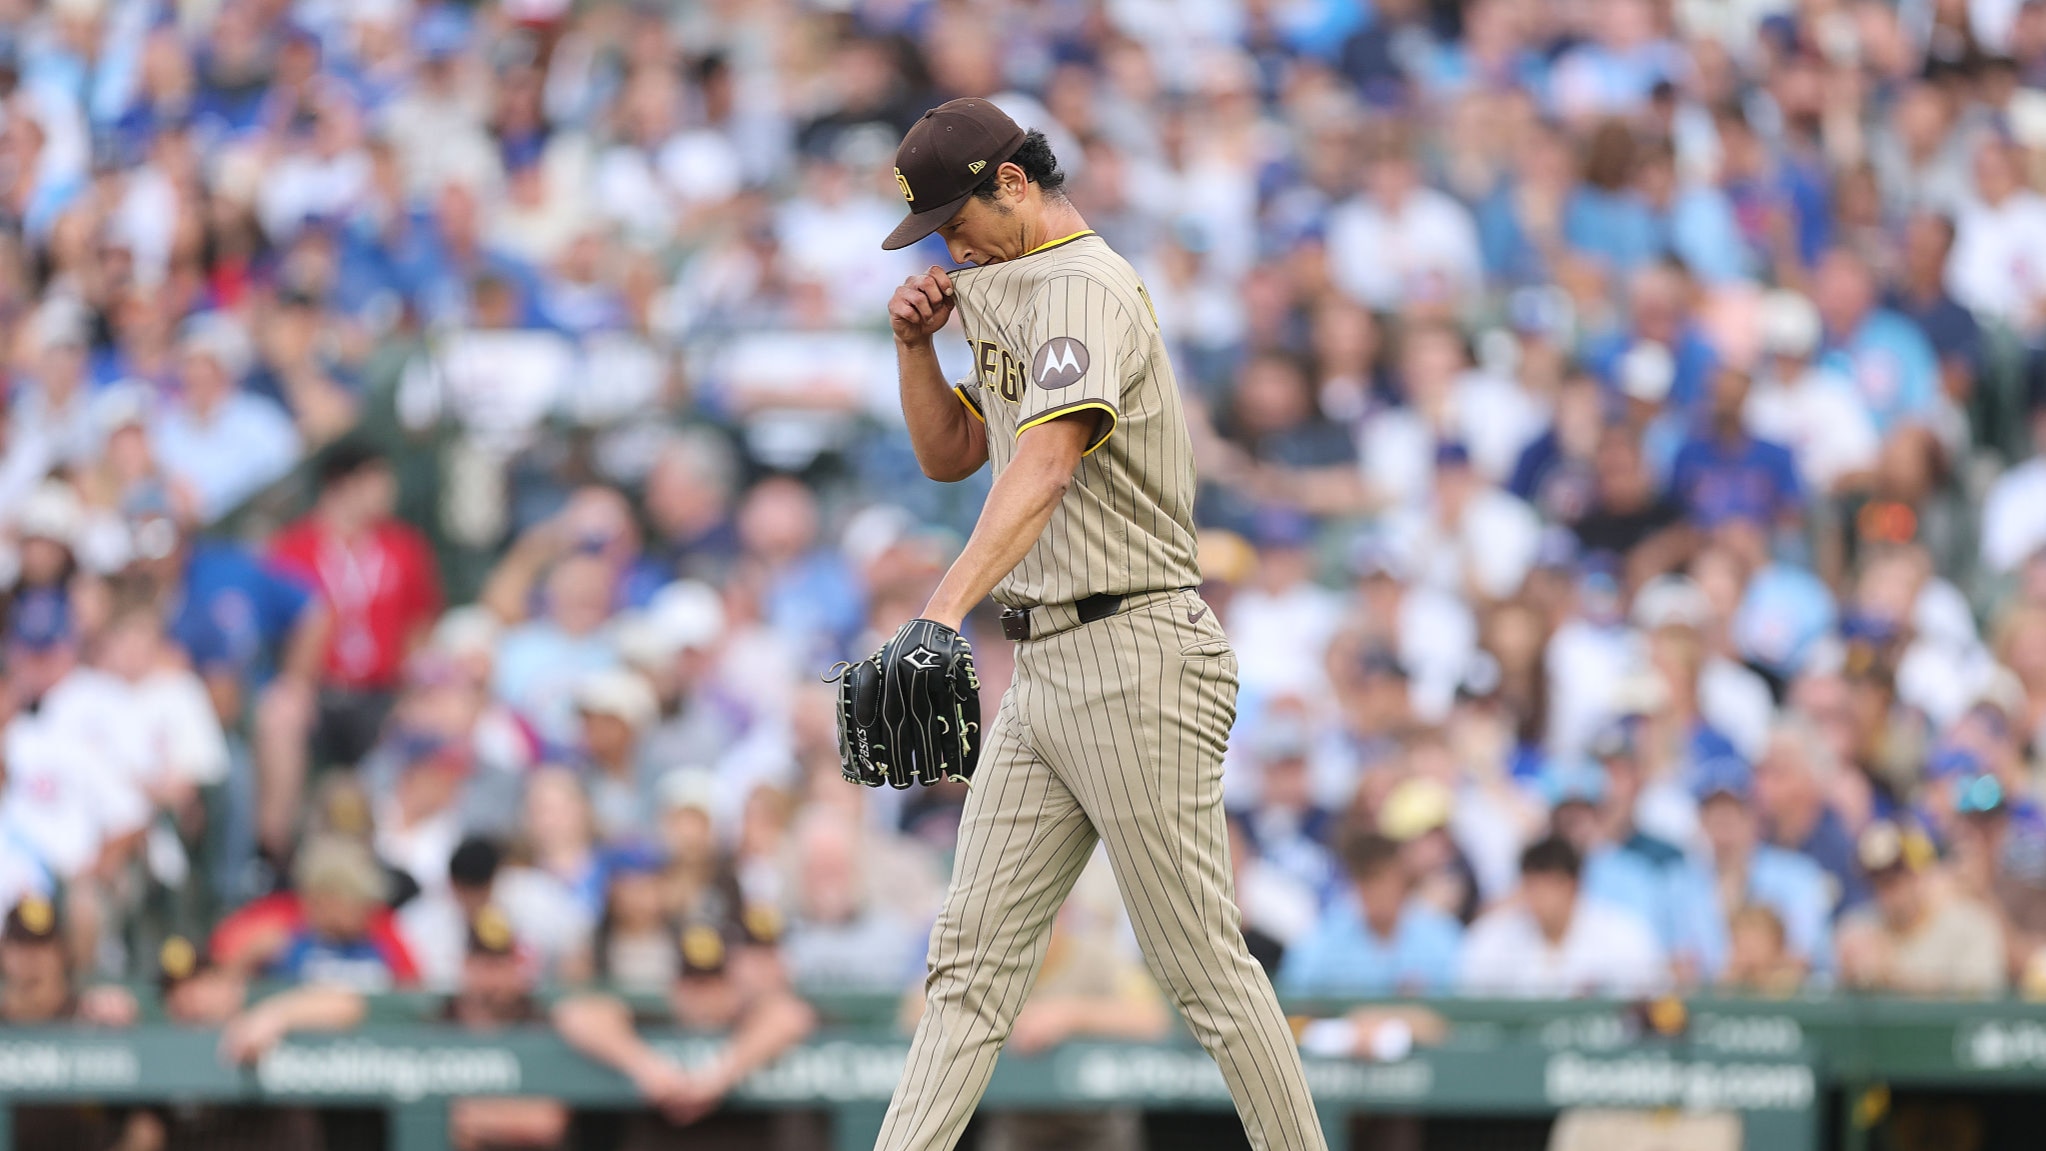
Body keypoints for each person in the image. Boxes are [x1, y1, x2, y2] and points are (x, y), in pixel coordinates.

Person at [876, 99, 1326, 1148]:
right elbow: (956, 456)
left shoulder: (1085, 285)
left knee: (1201, 967)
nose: (950, 245)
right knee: (969, 967)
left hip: (1135, 647)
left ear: (1017, 182)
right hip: (1046, 662)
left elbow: (1047, 459)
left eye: (957, 216)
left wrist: (942, 608)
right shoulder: (998, 285)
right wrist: (914, 352)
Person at [553, 921, 816, 1149]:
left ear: (733, 987)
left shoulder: (749, 1024)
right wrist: (648, 1068)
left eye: (714, 984)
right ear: (674, 989)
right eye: (691, 984)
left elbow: (791, 1015)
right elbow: (575, 1014)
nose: (702, 998)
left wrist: (716, 1078)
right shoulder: (653, 1025)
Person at [267, 439, 443, 770]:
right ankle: (273, 824)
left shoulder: (405, 547)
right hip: (317, 690)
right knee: (281, 720)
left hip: (382, 692)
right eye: (377, 481)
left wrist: (410, 688)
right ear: (344, 484)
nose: (389, 491)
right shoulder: (293, 548)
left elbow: (420, 622)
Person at [0, 897, 155, 1151]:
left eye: (42, 946)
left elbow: (145, 1127)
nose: (31, 959)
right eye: (20, 945)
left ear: (62, 952)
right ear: (4, 952)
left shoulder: (93, 1018)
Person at [1458, 835, 1667, 997]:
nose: (1539, 897)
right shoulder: (1494, 936)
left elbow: (1650, 998)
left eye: (1550, 886)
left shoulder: (1622, 933)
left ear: (1573, 885)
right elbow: (1471, 998)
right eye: (1532, 886)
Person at [1277, 829, 1465, 997]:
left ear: (1402, 881)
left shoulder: (1441, 935)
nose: (1376, 892)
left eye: (1383, 879)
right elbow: (1294, 999)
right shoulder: (1324, 937)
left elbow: (1464, 1006)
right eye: (1366, 879)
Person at [1836, 821, 2007, 996]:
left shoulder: (1970, 926)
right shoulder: (1859, 928)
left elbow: (1978, 1000)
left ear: (1921, 874)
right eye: (1876, 878)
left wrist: (1892, 977)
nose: (1887, 890)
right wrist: (1851, 978)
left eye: (1896, 875)